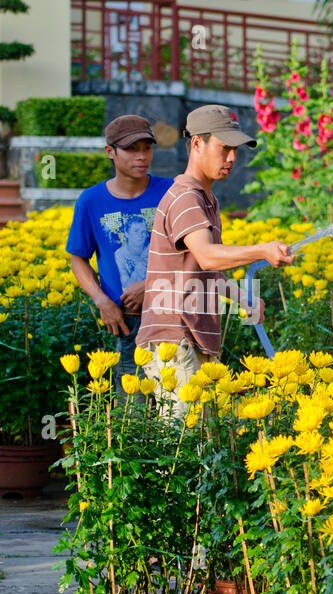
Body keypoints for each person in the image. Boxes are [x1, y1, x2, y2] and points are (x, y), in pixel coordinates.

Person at [137, 104, 293, 417]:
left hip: (191, 337)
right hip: (174, 339)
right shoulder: (185, 198)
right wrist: (262, 249)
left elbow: (205, 270)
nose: (232, 158)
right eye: (224, 148)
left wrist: (241, 298)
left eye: (235, 149)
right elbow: (208, 257)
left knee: (202, 443)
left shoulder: (206, 199)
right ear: (197, 143)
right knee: (184, 445)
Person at [66, 115, 173, 390]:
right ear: (110, 152)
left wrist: (151, 285)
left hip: (171, 314)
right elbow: (78, 257)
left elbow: (191, 253)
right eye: (131, 149)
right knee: (132, 410)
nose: (142, 156)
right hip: (125, 321)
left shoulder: (172, 192)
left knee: (176, 409)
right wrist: (102, 302)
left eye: (146, 148)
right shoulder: (90, 200)